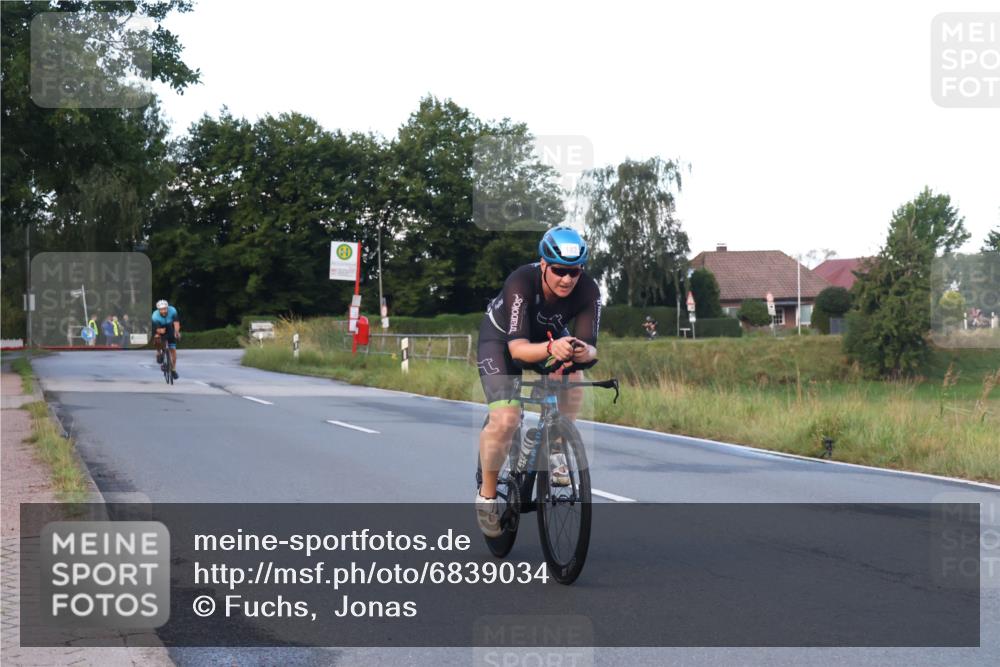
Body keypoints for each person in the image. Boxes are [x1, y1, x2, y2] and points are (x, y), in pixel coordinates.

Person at [475, 226, 601, 537]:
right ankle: (487, 497)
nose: (567, 279)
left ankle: (556, 443)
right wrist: (550, 348)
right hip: (502, 340)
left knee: (573, 370)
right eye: (558, 271)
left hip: (544, 339)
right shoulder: (521, 281)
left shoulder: (588, 290)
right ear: (543, 265)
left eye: (574, 272)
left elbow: (591, 346)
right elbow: (517, 351)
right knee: (506, 419)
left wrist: (582, 351)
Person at [151, 299, 181, 380]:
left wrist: (177, 332)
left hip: (169, 326)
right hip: (159, 327)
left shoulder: (173, 311)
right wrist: (159, 331)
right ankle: (158, 352)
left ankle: (173, 370)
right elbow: (157, 329)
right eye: (161, 309)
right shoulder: (155, 316)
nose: (164, 311)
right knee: (157, 338)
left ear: (168, 308)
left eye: (165, 309)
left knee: (173, 350)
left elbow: (176, 323)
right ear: (159, 310)